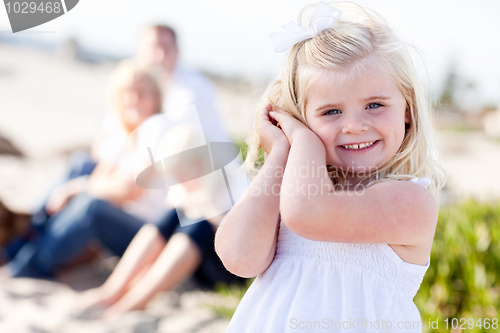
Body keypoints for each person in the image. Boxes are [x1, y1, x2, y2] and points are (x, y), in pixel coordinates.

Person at [215, 2, 446, 332]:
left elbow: (309, 213)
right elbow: (238, 257)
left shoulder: (412, 202)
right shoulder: (294, 189)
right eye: (331, 112)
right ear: (301, 117)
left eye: (375, 105)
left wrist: (305, 143)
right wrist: (281, 153)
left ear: (407, 110)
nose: (353, 126)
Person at [1, 60, 169, 277]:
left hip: (149, 233)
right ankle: (25, 237)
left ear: (157, 99)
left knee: (91, 205)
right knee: (82, 165)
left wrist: (76, 189)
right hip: (119, 219)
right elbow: (100, 176)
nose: (135, 100)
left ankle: (27, 264)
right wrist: (77, 189)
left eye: (144, 93)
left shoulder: (157, 128)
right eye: (129, 92)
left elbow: (131, 191)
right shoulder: (121, 130)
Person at [73, 124, 247, 320]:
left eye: (181, 175)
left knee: (199, 222)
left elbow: (242, 242)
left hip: (228, 270)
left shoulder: (234, 183)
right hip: (193, 264)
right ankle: (112, 291)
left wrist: (207, 211)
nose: (178, 181)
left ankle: (135, 302)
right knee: (175, 214)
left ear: (199, 164)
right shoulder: (187, 185)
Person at [136, 24, 232, 143]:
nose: (160, 56)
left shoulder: (194, 88)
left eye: (166, 48)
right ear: (140, 51)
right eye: (154, 48)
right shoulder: (136, 84)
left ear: (177, 51)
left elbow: (169, 136)